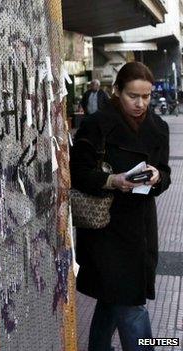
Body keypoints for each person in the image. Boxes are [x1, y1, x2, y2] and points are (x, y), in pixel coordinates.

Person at [70, 62, 171, 351]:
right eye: (133, 96)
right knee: (131, 304)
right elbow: (77, 173)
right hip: (106, 229)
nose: (141, 104)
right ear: (116, 91)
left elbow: (166, 174)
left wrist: (157, 177)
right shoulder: (96, 124)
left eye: (147, 96)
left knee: (112, 301)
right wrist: (113, 180)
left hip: (140, 229)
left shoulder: (158, 128)